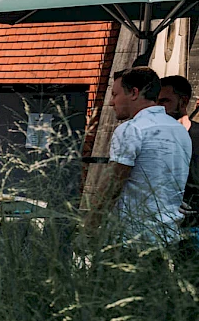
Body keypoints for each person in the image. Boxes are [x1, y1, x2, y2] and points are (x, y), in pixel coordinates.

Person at [82, 67, 191, 243]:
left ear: (134, 93)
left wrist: (88, 230)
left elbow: (112, 186)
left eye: (115, 94)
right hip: (167, 237)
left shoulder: (132, 129)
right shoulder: (180, 131)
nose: (111, 102)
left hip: (131, 240)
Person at [157, 75, 199, 231]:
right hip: (160, 227)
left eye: (164, 101)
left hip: (193, 228)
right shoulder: (154, 140)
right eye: (156, 101)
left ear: (183, 102)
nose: (159, 107)